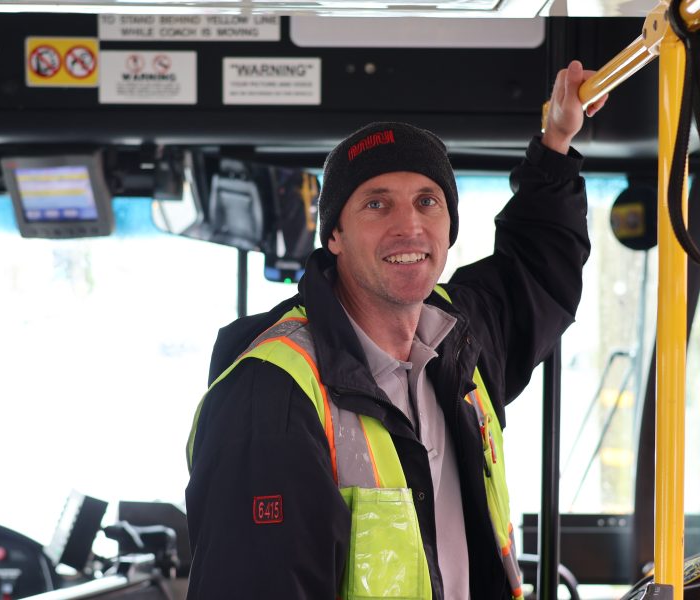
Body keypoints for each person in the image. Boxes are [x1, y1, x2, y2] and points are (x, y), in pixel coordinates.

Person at [185, 60, 607, 599]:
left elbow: (538, 263)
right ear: (334, 234)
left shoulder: (462, 338)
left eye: (427, 202)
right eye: (377, 204)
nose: (408, 226)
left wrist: (556, 139)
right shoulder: (272, 395)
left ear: (449, 227)